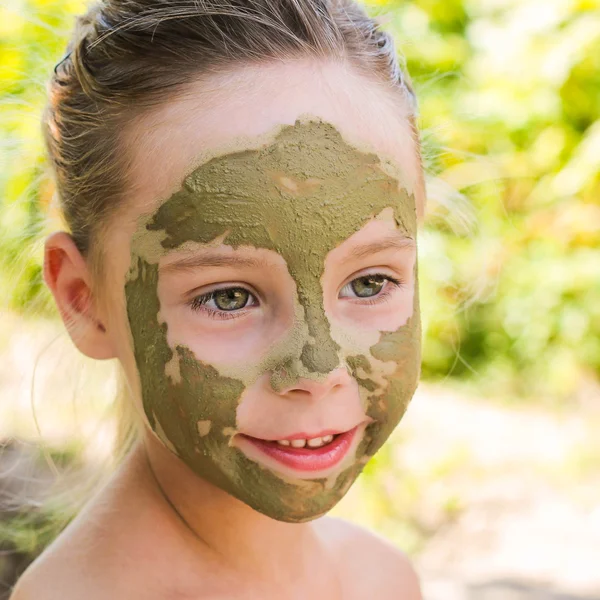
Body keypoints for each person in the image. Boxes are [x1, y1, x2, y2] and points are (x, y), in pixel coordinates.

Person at [11, 0, 427, 597]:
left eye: (370, 283)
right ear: (85, 299)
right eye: (228, 296)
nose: (319, 369)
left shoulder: (382, 578)